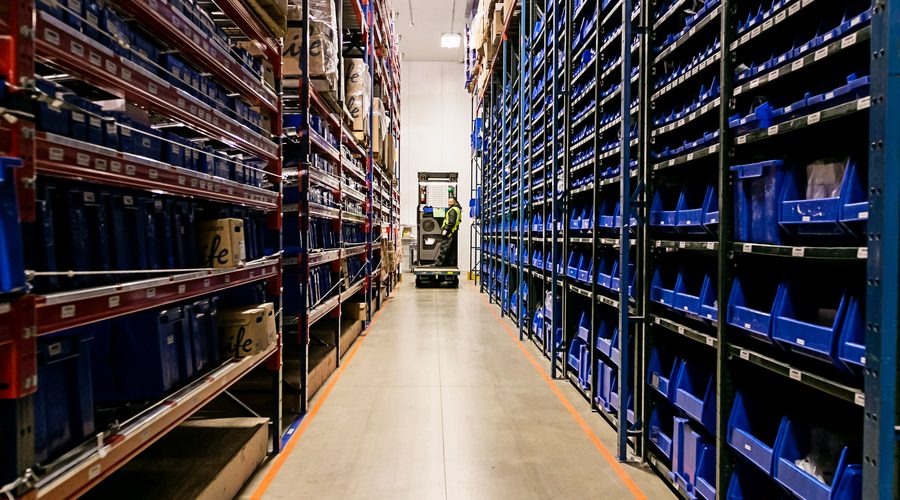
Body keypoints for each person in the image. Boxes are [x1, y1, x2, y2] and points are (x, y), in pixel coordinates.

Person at [435, 197, 462, 267]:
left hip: (449, 232)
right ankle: (449, 263)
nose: (449, 203)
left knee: (444, 248)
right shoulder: (456, 209)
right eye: (448, 202)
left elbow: (451, 222)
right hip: (453, 231)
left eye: (450, 202)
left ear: (454, 202)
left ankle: (439, 263)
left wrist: (445, 230)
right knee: (451, 249)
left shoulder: (453, 210)